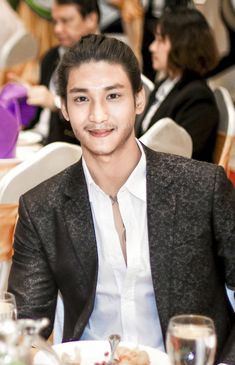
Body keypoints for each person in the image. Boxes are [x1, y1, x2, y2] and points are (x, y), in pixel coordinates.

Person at [8, 34, 235, 364]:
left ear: (139, 100)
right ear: (64, 107)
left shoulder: (203, 188)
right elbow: (24, 328)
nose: (98, 115)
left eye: (113, 95)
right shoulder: (42, 207)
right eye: (82, 99)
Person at [136, 7, 219, 162]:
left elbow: (181, 159)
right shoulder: (164, 85)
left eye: (160, 40)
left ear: (182, 44)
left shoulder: (198, 97)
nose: (152, 47)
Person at [26, 0, 100, 145]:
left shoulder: (106, 61)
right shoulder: (51, 56)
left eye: (66, 21)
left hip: (72, 148)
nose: (57, 29)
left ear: (91, 19)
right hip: (37, 141)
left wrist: (55, 103)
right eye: (55, 22)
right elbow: (37, 115)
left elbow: (96, 120)